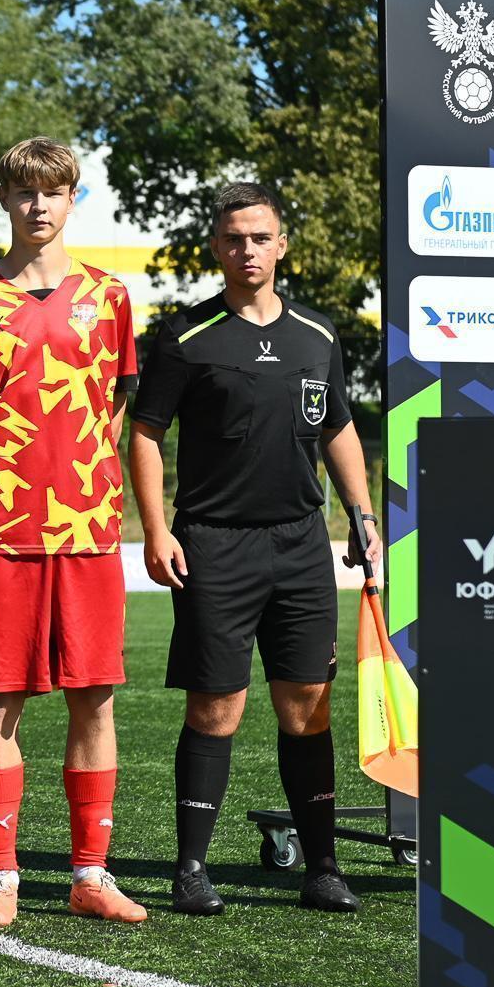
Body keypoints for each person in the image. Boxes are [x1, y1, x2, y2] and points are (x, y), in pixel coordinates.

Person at [126, 181, 382, 916]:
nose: (248, 250)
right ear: (216, 247)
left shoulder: (317, 334)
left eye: (260, 237)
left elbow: (337, 428)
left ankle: (323, 868)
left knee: (308, 705)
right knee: (218, 708)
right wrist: (156, 529)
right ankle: (191, 869)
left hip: (300, 544)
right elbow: (145, 433)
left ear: (282, 245)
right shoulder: (185, 335)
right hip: (214, 544)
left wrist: (362, 516)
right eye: (234, 238)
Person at [0, 137, 144, 929]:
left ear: (71, 199)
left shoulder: (110, 295)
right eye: (24, 192)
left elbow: (113, 405)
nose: (37, 205)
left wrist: (82, 478)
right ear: (4, 199)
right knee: (0, 705)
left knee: (95, 699)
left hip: (88, 531)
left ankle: (91, 873)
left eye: (52, 192)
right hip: (0, 531)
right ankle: (1, 877)